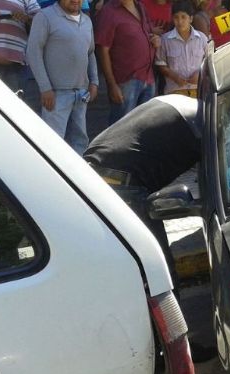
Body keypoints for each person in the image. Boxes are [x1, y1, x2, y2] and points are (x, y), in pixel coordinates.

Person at [83, 94, 200, 284]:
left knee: (132, 263)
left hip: (93, 168)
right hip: (121, 181)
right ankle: (166, 311)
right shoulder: (206, 126)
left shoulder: (180, 103)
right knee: (157, 268)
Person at [26, 0, 98, 154]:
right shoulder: (44, 16)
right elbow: (33, 52)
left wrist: (95, 81)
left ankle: (75, 177)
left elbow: (90, 52)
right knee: (52, 146)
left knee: (80, 143)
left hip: (81, 93)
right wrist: (45, 88)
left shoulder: (86, 20)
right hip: (56, 94)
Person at [95, 0, 160, 125]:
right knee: (121, 130)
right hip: (125, 81)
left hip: (148, 77)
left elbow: (148, 32)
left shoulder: (140, 7)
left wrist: (155, 39)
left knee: (144, 129)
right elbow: (103, 50)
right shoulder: (109, 11)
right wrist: (111, 85)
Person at [155, 1, 206, 97]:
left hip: (198, 90)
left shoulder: (202, 38)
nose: (180, 21)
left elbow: (209, 61)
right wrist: (175, 77)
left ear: (190, 19)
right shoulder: (165, 40)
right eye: (176, 17)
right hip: (174, 92)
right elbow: (160, 64)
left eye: (183, 17)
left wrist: (200, 74)